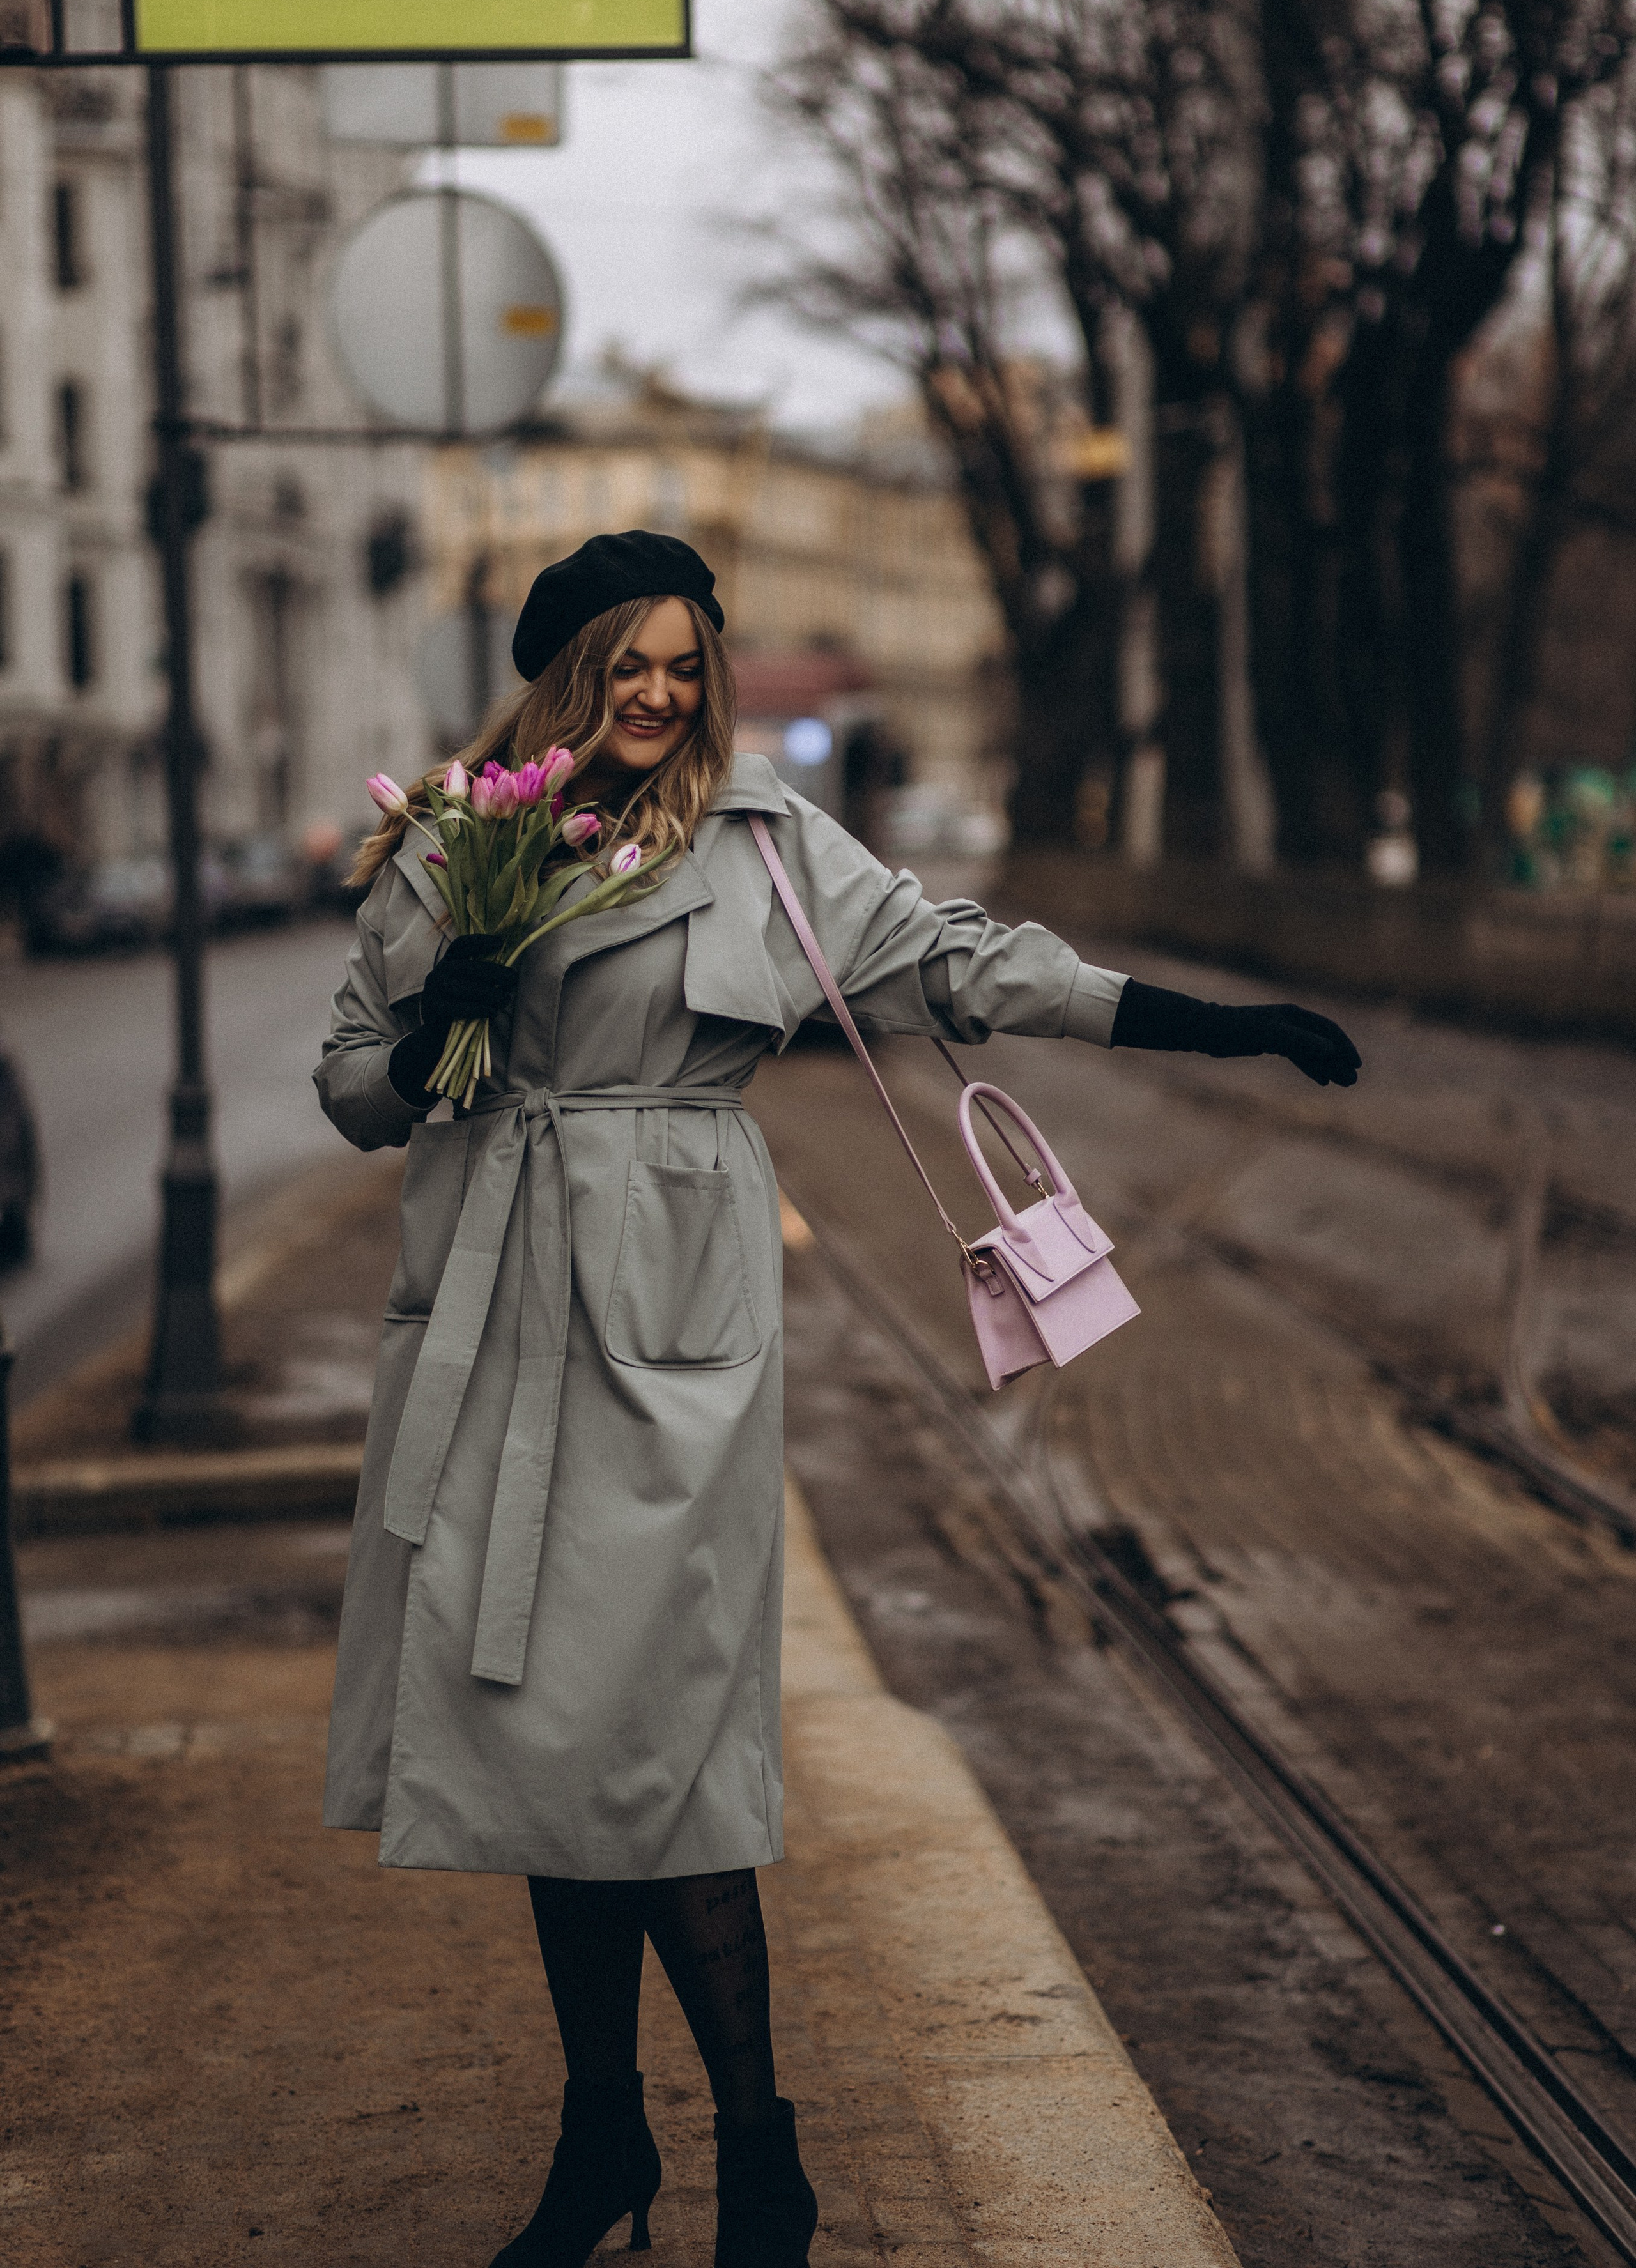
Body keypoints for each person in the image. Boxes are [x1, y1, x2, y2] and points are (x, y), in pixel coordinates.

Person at [317, 530, 1361, 2268]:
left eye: (687, 664)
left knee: (653, 1746)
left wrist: (1208, 1021)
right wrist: (441, 1030)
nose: (663, 694)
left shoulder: (764, 841)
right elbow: (355, 1083)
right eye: (630, 665)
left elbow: (961, 964)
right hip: (493, 1321)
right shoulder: (453, 842)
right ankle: (604, 2140)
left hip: (672, 1333)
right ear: (568, 675)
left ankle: (761, 2154)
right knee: (541, 1751)